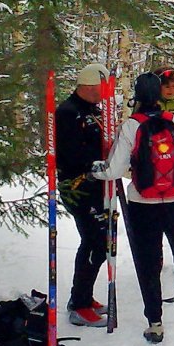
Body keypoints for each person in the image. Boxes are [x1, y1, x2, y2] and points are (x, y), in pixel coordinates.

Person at [92, 72, 174, 343]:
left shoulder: (131, 126)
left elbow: (115, 169)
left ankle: (155, 322)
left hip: (141, 202)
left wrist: (98, 172)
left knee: (148, 259)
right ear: (159, 94)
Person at [54, 62, 111, 327]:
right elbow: (70, 153)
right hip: (78, 187)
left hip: (97, 185)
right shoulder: (68, 112)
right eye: (100, 88)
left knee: (100, 241)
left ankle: (84, 296)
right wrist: (96, 160)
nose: (103, 94)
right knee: (94, 241)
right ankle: (79, 304)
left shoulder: (93, 110)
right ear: (88, 86)